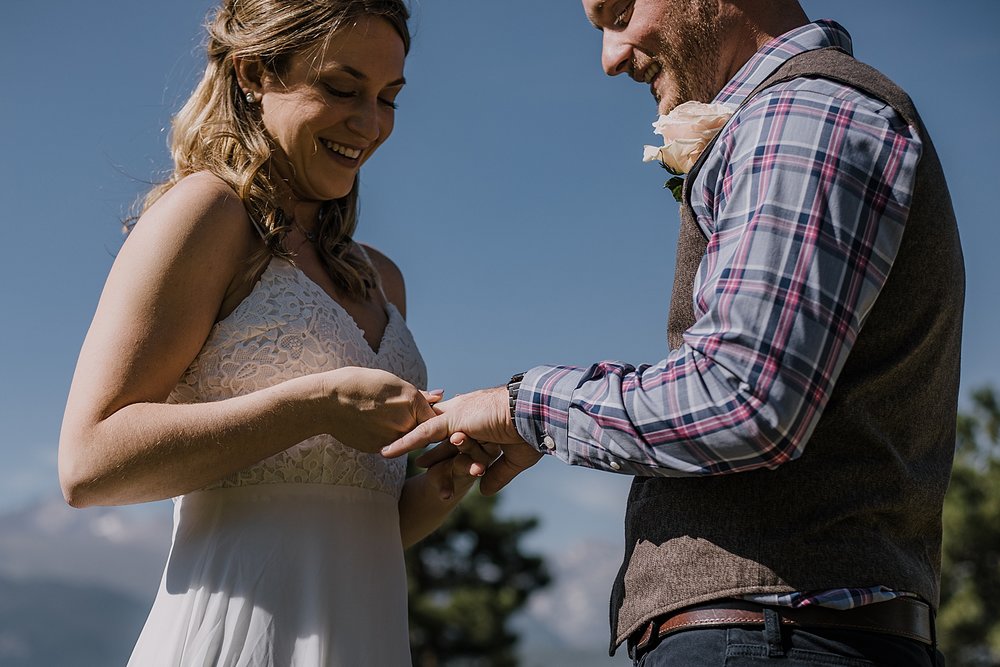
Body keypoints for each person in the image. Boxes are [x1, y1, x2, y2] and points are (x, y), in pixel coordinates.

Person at [383, 0, 963, 664]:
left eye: (620, 10)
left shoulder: (804, 115)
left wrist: (522, 407)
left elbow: (743, 399)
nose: (609, 57)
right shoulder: (793, 114)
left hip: (776, 635)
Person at [58, 1, 476, 664]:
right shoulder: (206, 214)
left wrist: (446, 482)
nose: (369, 124)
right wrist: (315, 405)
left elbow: (343, 516)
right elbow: (87, 464)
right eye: (341, 88)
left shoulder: (382, 280)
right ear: (255, 71)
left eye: (389, 97)